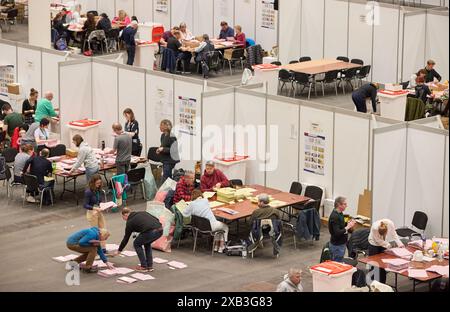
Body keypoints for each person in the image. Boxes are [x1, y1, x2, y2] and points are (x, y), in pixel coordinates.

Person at [115, 208, 163, 272]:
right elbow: (156, 219)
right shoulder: (142, 212)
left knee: (136, 244)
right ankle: (149, 266)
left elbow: (126, 238)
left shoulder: (130, 222)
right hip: (160, 230)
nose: (124, 220)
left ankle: (143, 266)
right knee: (147, 243)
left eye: (123, 217)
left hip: (150, 232)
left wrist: (119, 250)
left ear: (125, 215)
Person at [368, 219, 404, 284]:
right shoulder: (375, 228)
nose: (383, 236)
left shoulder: (390, 224)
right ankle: (373, 284)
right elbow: (377, 240)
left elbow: (394, 234)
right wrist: (387, 245)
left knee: (382, 264)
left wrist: (400, 244)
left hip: (383, 244)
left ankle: (382, 283)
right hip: (373, 244)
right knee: (374, 264)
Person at [328, 196, 356, 262]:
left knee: (339, 261)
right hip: (337, 245)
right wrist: (348, 226)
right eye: (345, 204)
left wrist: (347, 223)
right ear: (338, 205)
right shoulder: (335, 216)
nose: (347, 206)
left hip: (341, 243)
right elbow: (337, 233)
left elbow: (341, 226)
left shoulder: (340, 213)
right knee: (336, 263)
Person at [83, 174, 107, 250]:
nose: (98, 185)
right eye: (97, 183)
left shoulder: (98, 190)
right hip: (92, 212)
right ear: (93, 183)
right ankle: (95, 249)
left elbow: (99, 200)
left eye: (99, 183)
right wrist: (95, 208)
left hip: (98, 211)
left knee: (103, 229)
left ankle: (103, 248)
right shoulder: (88, 192)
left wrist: (104, 205)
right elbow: (85, 205)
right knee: (95, 232)